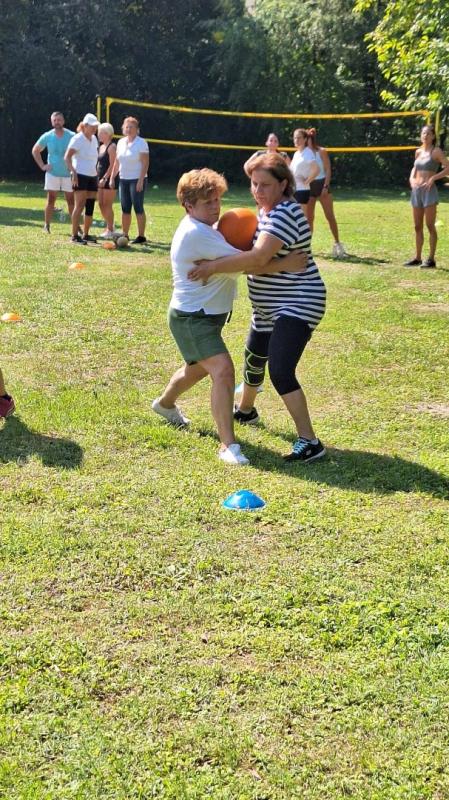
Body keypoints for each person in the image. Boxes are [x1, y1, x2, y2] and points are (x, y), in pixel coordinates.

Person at [151, 168, 307, 466]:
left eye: (217, 200)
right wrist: (285, 262)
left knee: (196, 369)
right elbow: (248, 263)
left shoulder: (207, 228)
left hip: (203, 317)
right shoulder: (198, 234)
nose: (216, 207)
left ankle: (165, 404)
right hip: (192, 318)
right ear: (188, 206)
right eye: (207, 203)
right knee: (222, 370)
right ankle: (228, 446)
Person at [188, 153, 326, 463]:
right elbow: (253, 257)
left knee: (280, 369)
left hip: (297, 301)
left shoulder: (284, 214)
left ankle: (310, 441)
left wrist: (213, 267)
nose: (257, 191)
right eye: (254, 184)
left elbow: (256, 259)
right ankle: (246, 410)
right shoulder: (266, 210)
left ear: (283, 184)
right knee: (254, 358)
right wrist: (281, 263)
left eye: (265, 185)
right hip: (267, 306)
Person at [404, 124, 449, 269]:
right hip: (416, 191)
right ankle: (417, 258)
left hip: (429, 192)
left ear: (433, 136)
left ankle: (431, 259)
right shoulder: (418, 151)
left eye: (428, 133)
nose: (425, 136)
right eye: (423, 133)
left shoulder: (436, 151)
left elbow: (447, 167)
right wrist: (411, 178)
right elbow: (414, 168)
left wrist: (434, 178)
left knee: (430, 225)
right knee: (417, 226)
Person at [306, 128, 347, 258]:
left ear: (311, 139)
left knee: (330, 216)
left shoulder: (321, 151)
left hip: (322, 184)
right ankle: (307, 247)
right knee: (309, 218)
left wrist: (325, 186)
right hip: (309, 186)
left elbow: (328, 169)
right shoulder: (303, 153)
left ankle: (338, 243)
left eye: (306, 139)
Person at [31, 111, 75, 233]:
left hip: (68, 174)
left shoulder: (72, 135)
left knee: (71, 201)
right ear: (52, 122)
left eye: (59, 120)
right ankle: (46, 225)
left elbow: (79, 151)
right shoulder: (48, 136)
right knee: (51, 200)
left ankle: (76, 227)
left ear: (63, 121)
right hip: (52, 173)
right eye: (54, 120)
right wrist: (42, 166)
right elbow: (35, 150)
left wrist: (74, 168)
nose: (57, 122)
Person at [110, 117, 149, 244]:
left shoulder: (141, 143)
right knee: (125, 208)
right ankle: (125, 235)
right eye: (126, 127)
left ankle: (141, 236)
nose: (129, 129)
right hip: (123, 179)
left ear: (137, 129)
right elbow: (117, 162)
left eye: (131, 127)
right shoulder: (121, 142)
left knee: (138, 207)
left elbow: (145, 163)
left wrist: (140, 180)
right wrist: (112, 177)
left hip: (136, 179)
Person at [64, 113, 100, 245]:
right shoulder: (77, 138)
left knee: (90, 205)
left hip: (92, 175)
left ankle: (86, 234)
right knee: (79, 205)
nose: (95, 129)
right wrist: (73, 173)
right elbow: (67, 158)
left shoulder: (94, 139)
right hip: (80, 175)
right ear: (85, 126)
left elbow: (95, 158)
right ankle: (74, 236)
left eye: (96, 126)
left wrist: (96, 173)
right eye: (92, 126)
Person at [290, 128, 320, 217]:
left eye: (299, 138)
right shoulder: (296, 153)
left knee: (301, 217)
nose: (296, 140)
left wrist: (307, 181)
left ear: (305, 139)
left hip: (302, 190)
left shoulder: (308, 152)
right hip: (294, 189)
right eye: (295, 138)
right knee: (294, 217)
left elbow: (317, 170)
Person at [96, 122, 117, 239]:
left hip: (109, 179)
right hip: (99, 179)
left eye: (101, 133)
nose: (99, 135)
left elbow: (113, 165)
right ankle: (110, 226)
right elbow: (99, 163)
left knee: (107, 204)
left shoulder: (112, 147)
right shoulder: (101, 146)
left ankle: (110, 229)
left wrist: (105, 178)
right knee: (101, 203)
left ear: (108, 134)